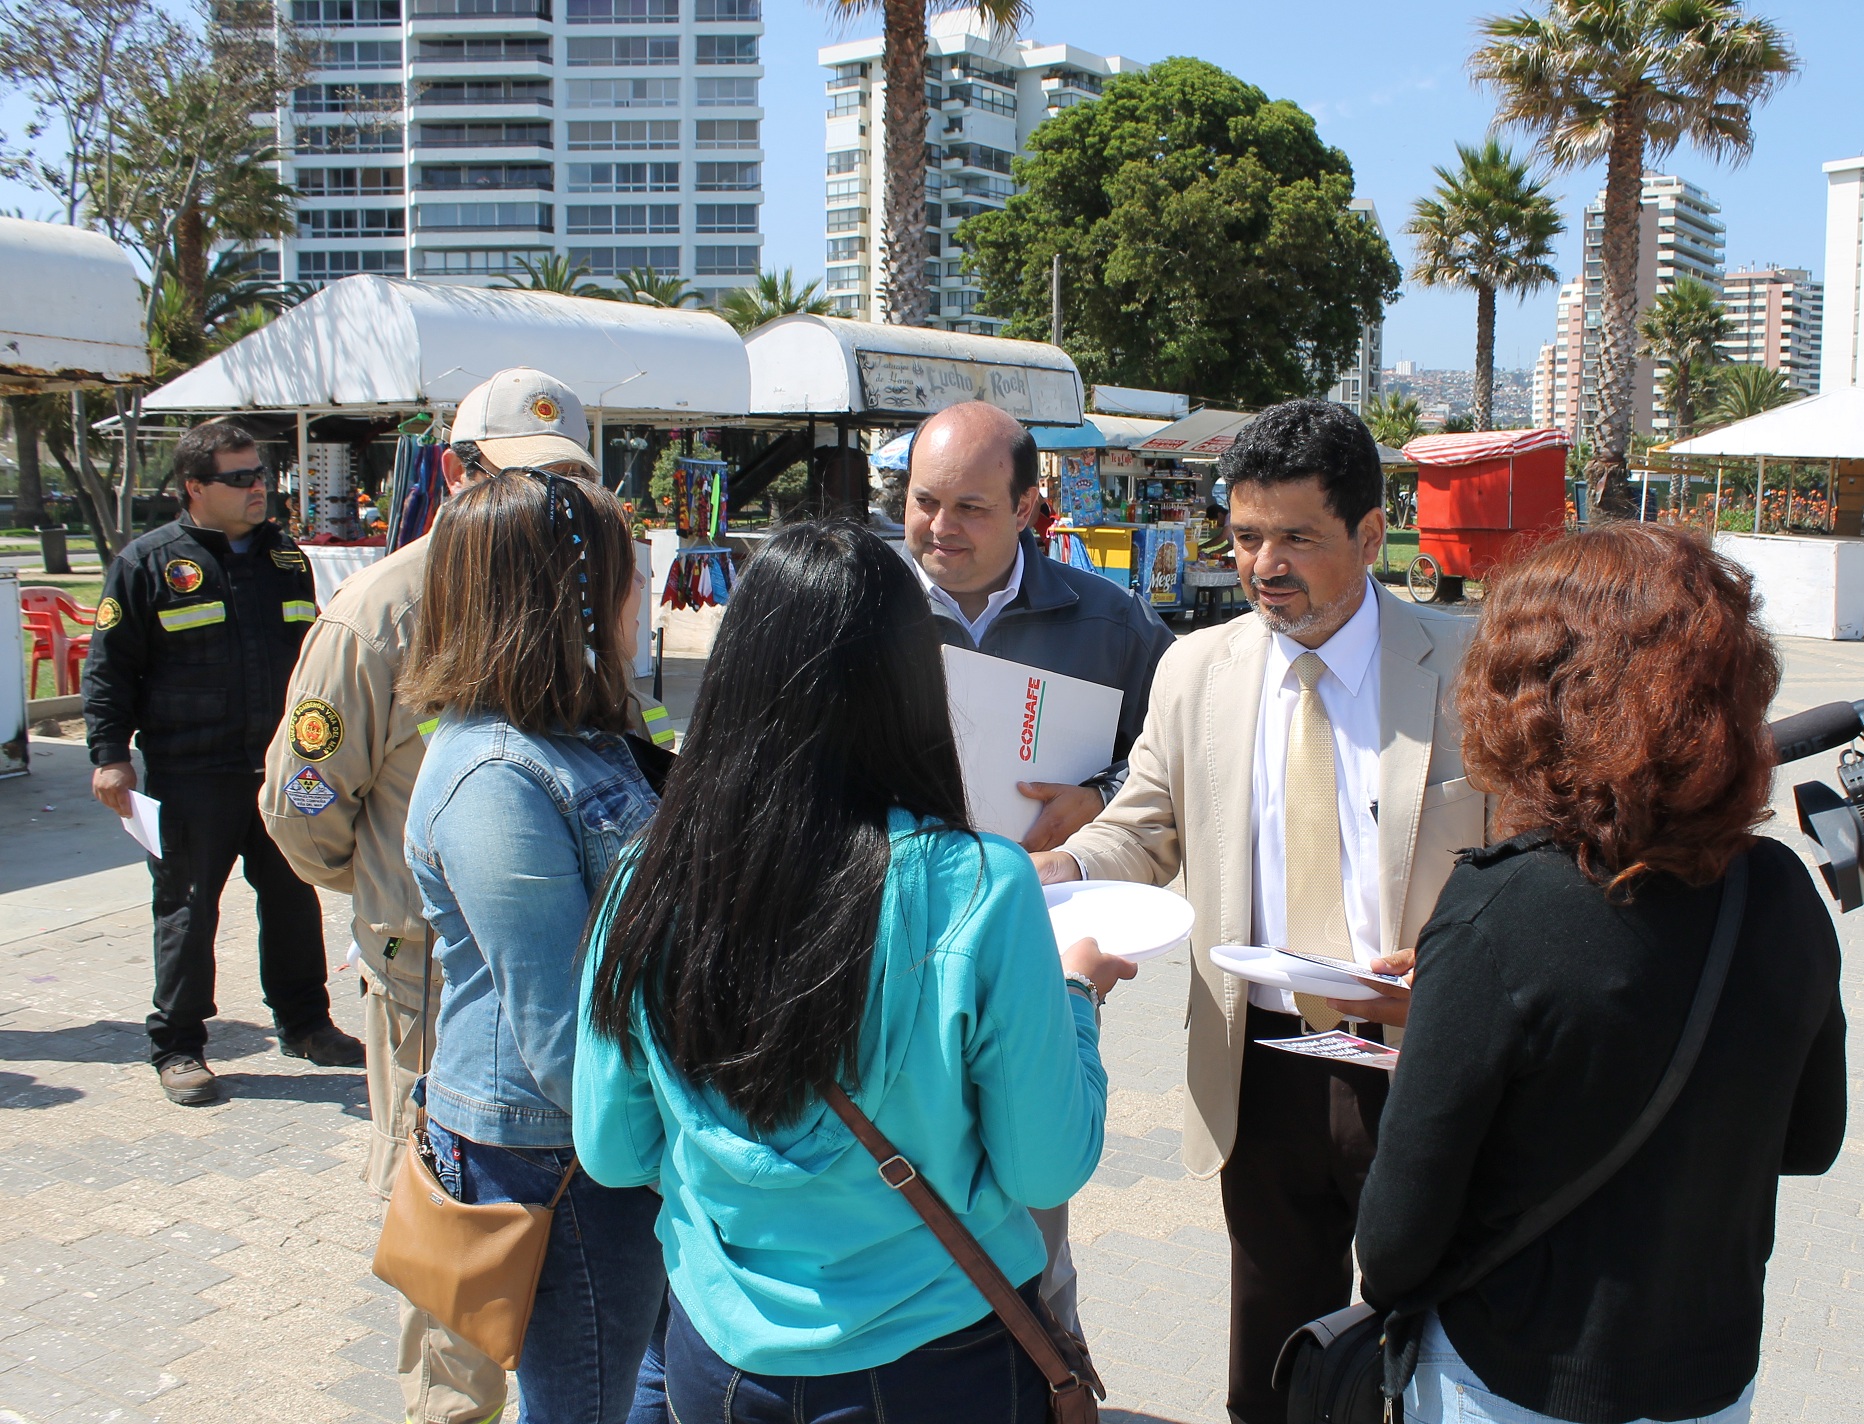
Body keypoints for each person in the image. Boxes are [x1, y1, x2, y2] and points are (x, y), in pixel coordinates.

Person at [574, 521, 1133, 1424]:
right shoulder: (980, 887)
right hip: (942, 1359)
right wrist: (1073, 999)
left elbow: (614, 1150)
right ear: (913, 683)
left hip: (718, 1355)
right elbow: (1045, 1168)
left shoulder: (647, 877)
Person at [1034, 399, 1487, 1424]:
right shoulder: (1196, 670)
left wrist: (1469, 956)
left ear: (1370, 535)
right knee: (1274, 1366)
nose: (1262, 564)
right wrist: (1057, 866)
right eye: (1243, 537)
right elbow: (1141, 828)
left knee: (1444, 1343)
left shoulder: (1467, 665)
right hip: (1263, 1062)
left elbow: (1523, 853)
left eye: (1296, 538)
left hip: (1430, 1058)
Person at [1357, 524, 1847, 1424]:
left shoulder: (1497, 914)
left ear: (1528, 697)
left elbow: (1391, 1246)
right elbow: (1811, 1142)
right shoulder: (1780, 891)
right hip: (1710, 1374)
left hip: (1511, 1379)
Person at [260, 369, 651, 1424]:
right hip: (437, 1001)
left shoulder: (575, 618)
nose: (557, 512)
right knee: (461, 1298)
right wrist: (406, 897)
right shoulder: (376, 615)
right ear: (458, 475)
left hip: (552, 1039)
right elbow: (302, 809)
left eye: (570, 483)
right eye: (525, 484)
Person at [400, 466, 664, 1423]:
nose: (641, 595)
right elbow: (561, 1039)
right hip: (562, 1157)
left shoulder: (575, 736)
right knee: (583, 1402)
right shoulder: (495, 776)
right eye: (623, 575)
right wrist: (680, 1144)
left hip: (601, 1145)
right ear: (570, 600)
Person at [83, 420, 361, 1107]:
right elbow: (109, 671)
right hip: (190, 772)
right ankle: (178, 1046)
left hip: (280, 768)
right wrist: (110, 757)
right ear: (195, 488)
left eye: (261, 475)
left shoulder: (286, 560)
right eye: (239, 479)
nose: (257, 489)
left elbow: (315, 668)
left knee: (296, 897)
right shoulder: (148, 564)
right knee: (187, 908)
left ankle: (305, 1024)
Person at [905, 400, 1175, 855]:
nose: (942, 526)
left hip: (1058, 905)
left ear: (1023, 508)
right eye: (925, 501)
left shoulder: (1115, 623)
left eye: (970, 508)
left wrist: (1101, 797)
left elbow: (1182, 751)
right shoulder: (855, 611)